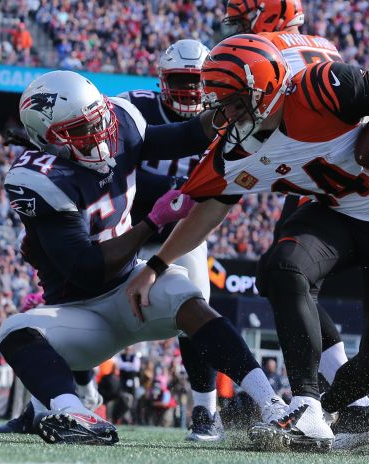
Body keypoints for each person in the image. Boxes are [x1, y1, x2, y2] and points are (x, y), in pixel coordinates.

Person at [126, 34, 369, 450]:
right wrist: (156, 266)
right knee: (281, 268)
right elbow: (208, 208)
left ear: (264, 89)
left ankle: (338, 412)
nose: (225, 114)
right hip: (334, 213)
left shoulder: (323, 89)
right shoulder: (233, 150)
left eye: (233, 102)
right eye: (219, 103)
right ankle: (306, 406)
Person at [0, 70, 286, 445]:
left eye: (99, 120)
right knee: (14, 331)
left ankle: (272, 404)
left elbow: (183, 135)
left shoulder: (121, 121)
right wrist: (153, 222)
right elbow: (88, 269)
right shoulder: (39, 179)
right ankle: (75, 414)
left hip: (131, 290)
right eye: (83, 130)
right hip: (82, 314)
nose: (100, 133)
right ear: (49, 139)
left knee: (189, 299)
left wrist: (226, 113)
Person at [220, 0, 369, 450]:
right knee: (281, 277)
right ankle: (356, 408)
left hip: (318, 172)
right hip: (327, 169)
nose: (237, 29)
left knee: (284, 274)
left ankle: (334, 406)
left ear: (269, 15)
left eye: (243, 20)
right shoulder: (322, 45)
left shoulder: (269, 51)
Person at [121, 39, 223, 442]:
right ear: (163, 80)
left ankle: (206, 411)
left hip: (181, 237)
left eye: (199, 81)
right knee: (77, 302)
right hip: (126, 231)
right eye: (181, 80)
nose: (191, 89)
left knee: (197, 315)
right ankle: (50, 402)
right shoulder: (132, 108)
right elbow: (108, 167)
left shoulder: (228, 120)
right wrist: (169, 188)